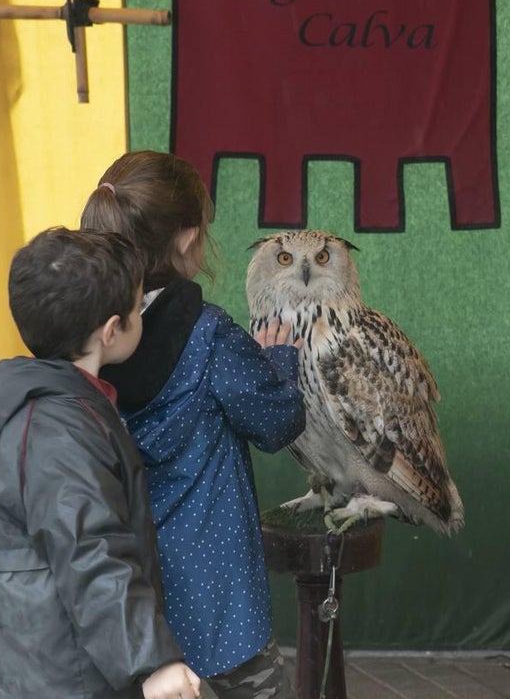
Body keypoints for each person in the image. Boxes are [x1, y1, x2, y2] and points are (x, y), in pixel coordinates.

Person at [0, 228, 202, 699]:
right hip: (64, 674)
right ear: (111, 330)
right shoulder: (58, 430)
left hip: (59, 659)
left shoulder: (64, 405)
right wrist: (152, 661)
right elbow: (91, 550)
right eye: (138, 308)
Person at [81, 151, 305, 699]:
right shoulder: (209, 336)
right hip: (221, 614)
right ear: (186, 240)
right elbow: (278, 422)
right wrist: (279, 363)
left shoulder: (80, 339)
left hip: (125, 615)